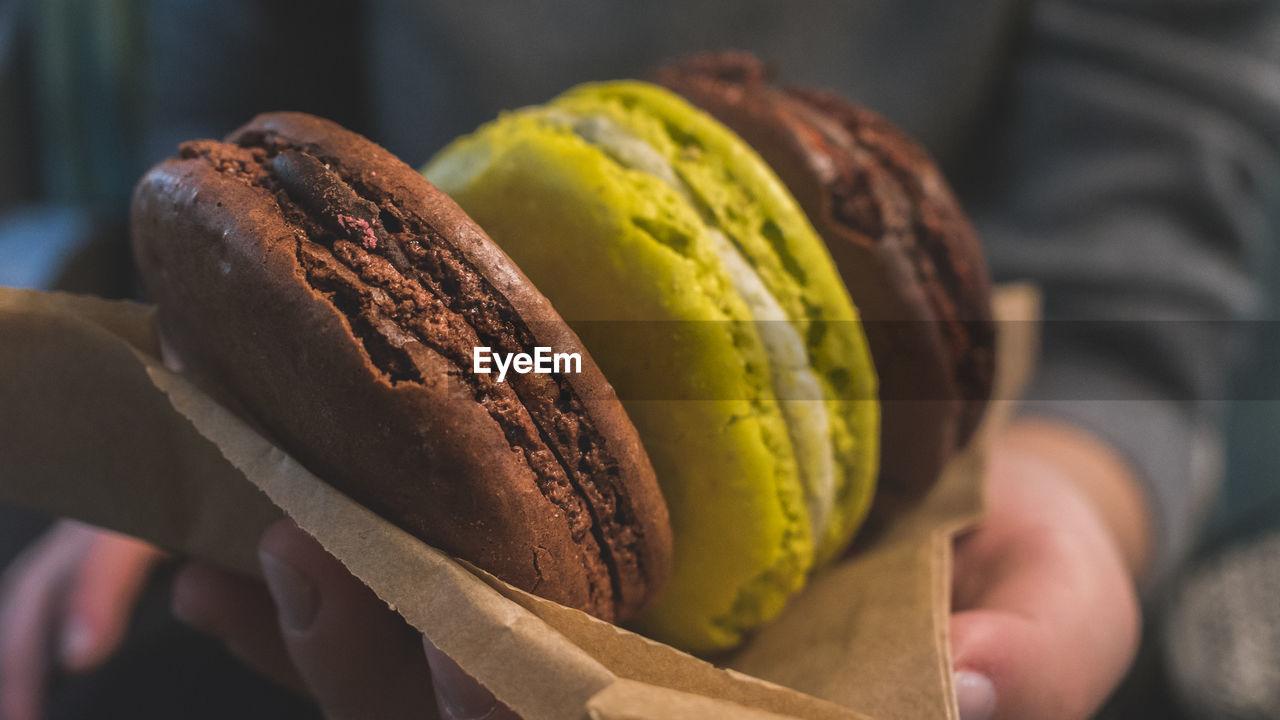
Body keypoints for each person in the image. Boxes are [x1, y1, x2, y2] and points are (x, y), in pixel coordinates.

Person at [2, 1, 1278, 718]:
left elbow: (1153, 133)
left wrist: (1082, 462)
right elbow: (225, 111)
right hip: (424, 394)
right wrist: (204, 405)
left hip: (938, 452)